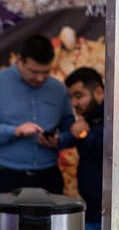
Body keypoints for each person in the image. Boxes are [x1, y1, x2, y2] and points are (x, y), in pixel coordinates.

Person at [0, 34, 74, 194]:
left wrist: (59, 140)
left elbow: (71, 130)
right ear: (20, 61)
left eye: (46, 72)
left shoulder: (59, 89)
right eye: (34, 72)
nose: (40, 78)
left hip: (48, 176)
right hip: (6, 176)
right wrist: (15, 131)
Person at [61, 67, 104, 230]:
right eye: (72, 98)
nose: (75, 103)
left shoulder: (113, 116)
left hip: (112, 211)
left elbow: (107, 149)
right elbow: (69, 138)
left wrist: (84, 134)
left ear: (98, 91)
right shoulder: (85, 120)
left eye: (79, 96)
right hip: (91, 207)